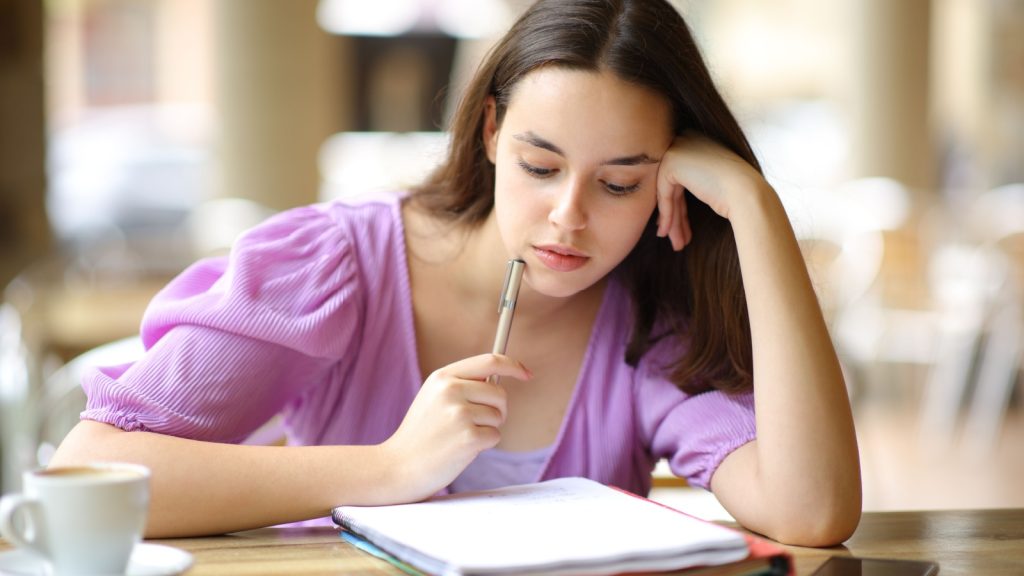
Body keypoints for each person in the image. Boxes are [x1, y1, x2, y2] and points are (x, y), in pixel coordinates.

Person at [51, 0, 861, 545]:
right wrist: (391, 467)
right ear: (488, 132)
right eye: (539, 166)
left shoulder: (650, 318)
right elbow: (87, 474)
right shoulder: (338, 268)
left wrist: (756, 208)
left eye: (619, 183)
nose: (568, 217)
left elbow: (813, 511)